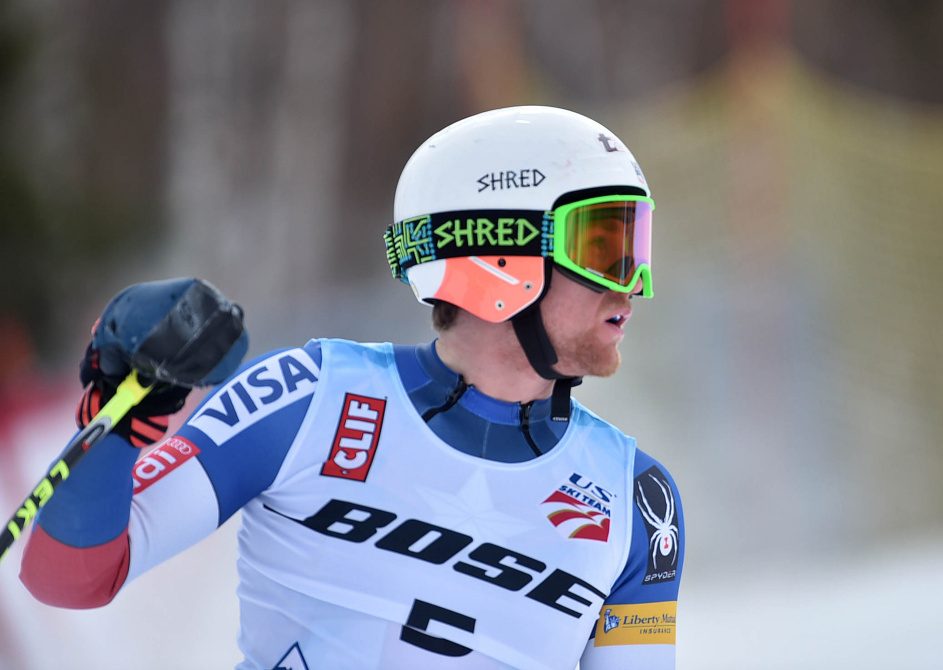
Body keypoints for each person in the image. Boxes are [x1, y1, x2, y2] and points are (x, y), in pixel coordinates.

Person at [21, 106, 685, 670]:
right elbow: (67, 578)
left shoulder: (640, 500)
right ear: (500, 253)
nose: (630, 285)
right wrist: (120, 412)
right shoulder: (308, 396)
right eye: (604, 248)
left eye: (635, 248)